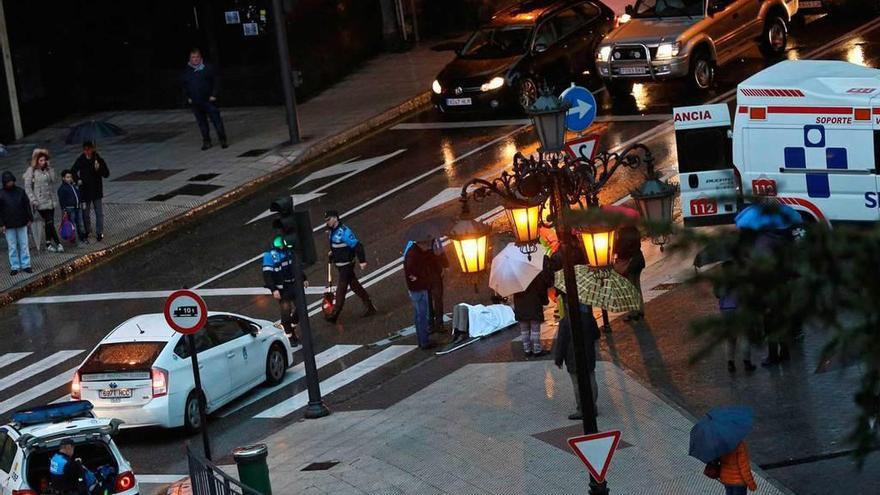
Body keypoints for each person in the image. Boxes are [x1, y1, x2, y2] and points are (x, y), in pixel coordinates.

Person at [324, 210, 376, 322]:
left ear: (335, 218)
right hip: (341, 264)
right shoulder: (333, 231)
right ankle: (370, 306)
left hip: (346, 265)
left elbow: (358, 246)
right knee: (354, 285)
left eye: (328, 220)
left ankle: (335, 313)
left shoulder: (344, 232)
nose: (327, 222)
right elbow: (337, 245)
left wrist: (362, 261)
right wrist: (333, 253)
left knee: (341, 289)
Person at [554, 294, 600, 420]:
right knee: (591, 379)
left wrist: (559, 359)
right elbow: (596, 334)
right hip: (588, 354)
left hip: (573, 356)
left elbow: (562, 341)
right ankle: (592, 406)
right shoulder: (588, 317)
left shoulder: (566, 321)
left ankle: (582, 409)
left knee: (577, 384)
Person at [262, 236, 305, 346]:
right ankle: (290, 336)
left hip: (293, 284)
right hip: (282, 289)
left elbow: (296, 266)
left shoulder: (289, 252)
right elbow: (267, 275)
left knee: (301, 307)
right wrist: (274, 289)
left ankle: (292, 324)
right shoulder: (269, 256)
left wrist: (304, 277)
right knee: (286, 311)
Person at [182, 48, 228, 150]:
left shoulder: (208, 68)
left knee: (216, 121)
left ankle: (222, 139)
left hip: (209, 100)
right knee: (202, 123)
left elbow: (216, 81)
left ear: (200, 57)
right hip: (196, 102)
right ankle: (206, 141)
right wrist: (188, 97)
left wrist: (214, 95)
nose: (195, 59)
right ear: (190, 59)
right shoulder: (187, 71)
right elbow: (184, 85)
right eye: (193, 57)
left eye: (197, 57)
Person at [714, 261, 756, 373]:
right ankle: (747, 363)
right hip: (739, 308)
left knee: (730, 339)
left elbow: (717, 294)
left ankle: (730, 364)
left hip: (726, 310)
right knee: (744, 336)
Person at [23, 148, 64, 253]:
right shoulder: (31, 171)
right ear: (36, 160)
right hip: (40, 202)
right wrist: (33, 200)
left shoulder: (47, 169)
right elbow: (27, 188)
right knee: (49, 222)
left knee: (49, 222)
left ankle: (48, 243)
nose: (43, 162)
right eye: (40, 160)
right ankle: (58, 243)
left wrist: (50, 168)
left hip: (50, 200)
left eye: (44, 160)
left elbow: (53, 179)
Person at [513, 255, 551, 356]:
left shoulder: (515, 275)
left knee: (524, 329)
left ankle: (527, 350)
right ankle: (537, 350)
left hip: (520, 304)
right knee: (535, 328)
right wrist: (544, 300)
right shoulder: (534, 274)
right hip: (534, 303)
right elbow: (541, 289)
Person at [71, 141, 109, 242]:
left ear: (92, 149)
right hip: (85, 191)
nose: (86, 152)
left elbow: (106, 174)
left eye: (88, 149)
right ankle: (88, 231)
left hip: (96, 190)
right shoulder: (81, 160)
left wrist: (98, 168)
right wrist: (77, 180)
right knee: (85, 213)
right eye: (85, 150)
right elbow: (73, 171)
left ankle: (99, 232)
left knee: (99, 213)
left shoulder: (98, 160)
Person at [0, 171, 33, 275]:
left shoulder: (20, 191)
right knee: (12, 246)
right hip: (9, 224)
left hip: (20, 222)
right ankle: (15, 266)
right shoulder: (17, 192)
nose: (10, 183)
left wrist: (29, 218)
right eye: (8, 182)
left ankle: (25, 265)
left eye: (11, 181)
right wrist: (1, 224)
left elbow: (27, 206)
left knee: (23, 244)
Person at [404, 240, 435, 350]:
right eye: (426, 244)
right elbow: (410, 272)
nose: (428, 246)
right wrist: (418, 279)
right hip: (418, 289)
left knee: (419, 315)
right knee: (422, 315)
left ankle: (422, 340)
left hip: (417, 288)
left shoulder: (414, 252)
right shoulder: (414, 255)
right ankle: (424, 341)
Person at [614, 225, 645, 321]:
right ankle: (640, 310)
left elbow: (621, 251)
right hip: (638, 260)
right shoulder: (634, 230)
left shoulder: (622, 233)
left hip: (629, 264)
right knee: (637, 286)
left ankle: (633, 313)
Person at [57, 169, 87, 245]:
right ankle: (74, 239)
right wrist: (64, 210)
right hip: (70, 209)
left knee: (80, 223)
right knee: (72, 224)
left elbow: (79, 194)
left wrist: (82, 202)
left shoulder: (73, 185)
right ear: (63, 178)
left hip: (78, 207)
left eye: (70, 177)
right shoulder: (62, 189)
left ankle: (82, 237)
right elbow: (62, 201)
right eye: (67, 177)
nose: (69, 178)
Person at [427, 238, 449, 333]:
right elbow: (440, 252)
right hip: (435, 273)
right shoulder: (435, 239)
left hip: (424, 275)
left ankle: (430, 325)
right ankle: (439, 324)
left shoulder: (415, 243)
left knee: (428, 300)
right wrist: (445, 265)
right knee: (438, 299)